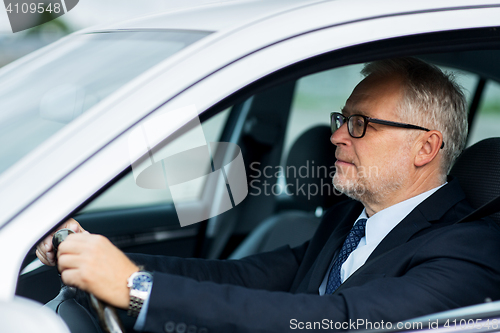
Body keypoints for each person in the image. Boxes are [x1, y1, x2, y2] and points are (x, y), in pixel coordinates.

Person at [37, 58, 500, 332]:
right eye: (342, 118)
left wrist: (137, 290)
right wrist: (93, 255)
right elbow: (239, 278)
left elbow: (332, 319)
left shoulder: (470, 249)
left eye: (361, 124)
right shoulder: (348, 223)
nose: (336, 136)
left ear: (425, 147)